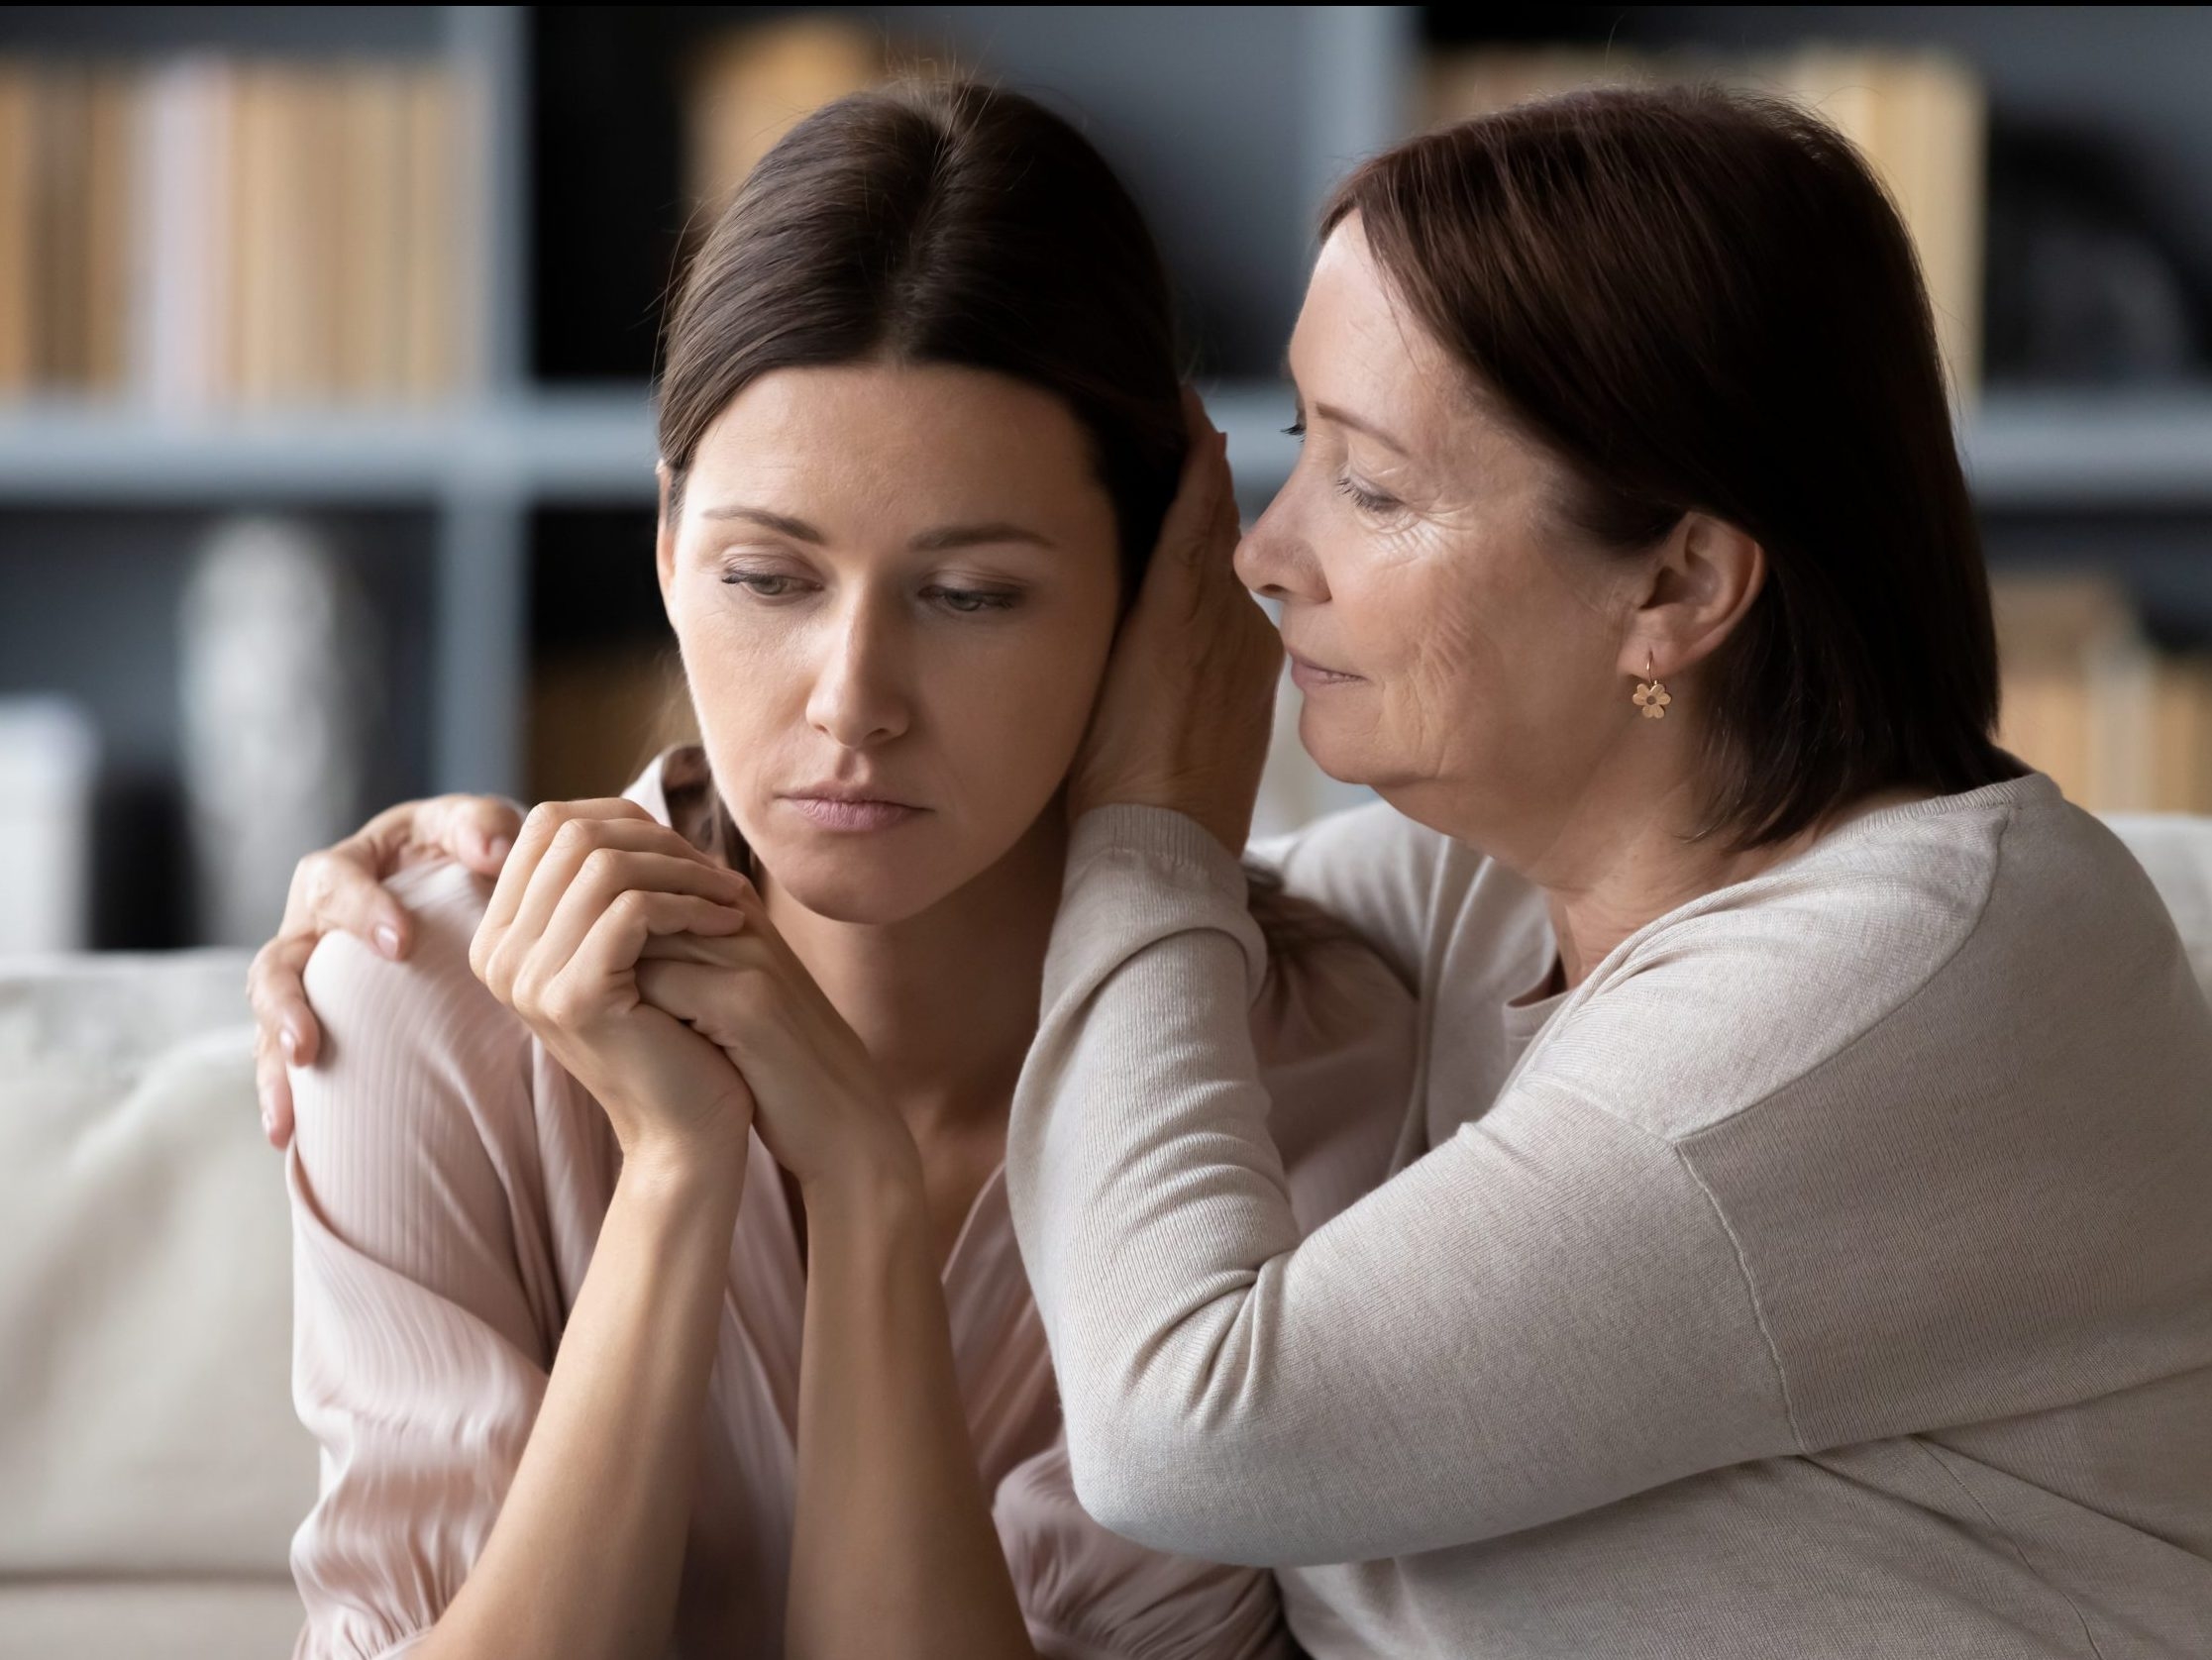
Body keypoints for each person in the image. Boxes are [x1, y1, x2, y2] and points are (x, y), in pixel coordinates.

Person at [258, 87, 2212, 1658]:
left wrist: (1112, 858)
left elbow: (1200, 1414)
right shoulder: (1476, 913)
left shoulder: (1851, 979)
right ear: (668, 542)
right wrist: (443, 863)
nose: (1264, 563)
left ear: (1679, 585)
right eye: (1287, 458)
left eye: (1365, 480)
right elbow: (1163, 931)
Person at [260, 79, 1412, 1660]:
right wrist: (677, 1175)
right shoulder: (415, 1003)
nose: (849, 699)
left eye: (968, 596)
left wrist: (863, 1200)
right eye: (767, 577)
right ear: (668, 550)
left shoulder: (1321, 1081)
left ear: (1161, 590)